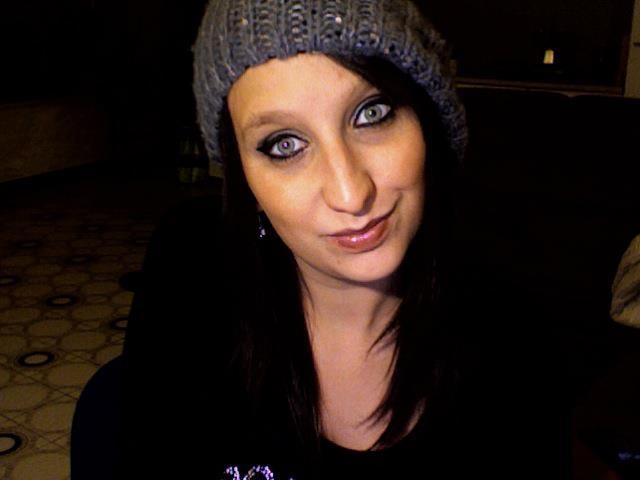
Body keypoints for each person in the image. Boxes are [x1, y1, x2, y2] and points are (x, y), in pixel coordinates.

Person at [71, 0, 571, 478]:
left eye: (372, 113)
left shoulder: (516, 342)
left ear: (428, 122)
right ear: (242, 177)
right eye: (284, 144)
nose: (350, 193)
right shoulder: (190, 274)